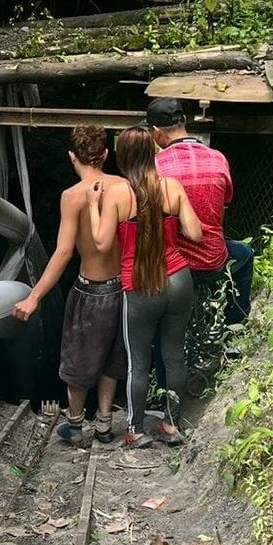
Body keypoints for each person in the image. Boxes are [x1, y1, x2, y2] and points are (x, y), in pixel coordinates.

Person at [12, 126, 128, 445]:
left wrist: (34, 296)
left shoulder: (72, 197)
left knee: (78, 357)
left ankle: (75, 424)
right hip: (121, 287)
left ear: (71, 157)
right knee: (111, 355)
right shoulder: (124, 187)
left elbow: (63, 252)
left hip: (89, 289)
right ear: (106, 155)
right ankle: (104, 423)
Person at [88, 127, 203, 448]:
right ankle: (171, 425)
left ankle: (136, 430)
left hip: (139, 286)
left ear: (123, 157)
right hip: (179, 279)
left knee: (138, 362)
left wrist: (94, 206)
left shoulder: (118, 194)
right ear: (153, 152)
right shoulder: (172, 187)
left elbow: (100, 242)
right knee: (174, 355)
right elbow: (194, 234)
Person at [145, 98, 254, 328]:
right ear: (184, 121)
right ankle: (234, 327)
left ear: (156, 132)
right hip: (215, 262)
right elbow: (222, 209)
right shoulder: (218, 158)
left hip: (174, 267)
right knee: (245, 254)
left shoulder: (155, 166)